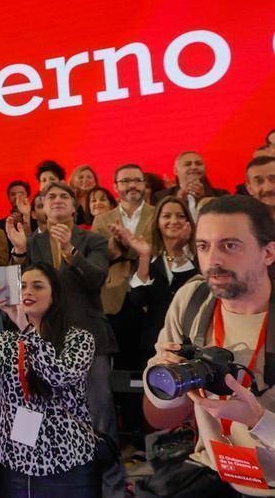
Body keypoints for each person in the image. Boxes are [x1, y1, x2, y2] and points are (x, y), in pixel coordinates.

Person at [140, 195, 275, 497]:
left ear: (268, 253)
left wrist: (258, 421)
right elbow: (157, 417)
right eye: (203, 246)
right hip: (214, 472)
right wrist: (166, 379)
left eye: (230, 245)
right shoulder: (194, 300)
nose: (213, 260)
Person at [7, 181, 120, 496]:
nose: (55, 200)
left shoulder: (93, 240)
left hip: (89, 340)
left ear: (74, 207)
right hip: (41, 341)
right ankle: (30, 484)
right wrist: (18, 252)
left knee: (99, 418)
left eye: (63, 196)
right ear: (41, 208)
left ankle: (109, 490)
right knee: (31, 410)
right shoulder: (30, 242)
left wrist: (71, 251)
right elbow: (16, 291)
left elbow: (96, 279)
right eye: (48, 197)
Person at [0, 264, 99, 497]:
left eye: (37, 286)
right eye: (22, 286)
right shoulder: (6, 340)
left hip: (65, 456)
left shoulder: (79, 339)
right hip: (16, 458)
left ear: (54, 295)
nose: (27, 292)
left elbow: (59, 376)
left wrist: (26, 329)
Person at [94, 163, 156, 369]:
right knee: (122, 365)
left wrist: (128, 243)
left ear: (144, 184)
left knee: (152, 359)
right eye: (125, 181)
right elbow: (99, 257)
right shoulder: (102, 219)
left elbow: (157, 249)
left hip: (150, 293)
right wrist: (119, 243)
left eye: (137, 180)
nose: (132, 185)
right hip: (115, 296)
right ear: (115, 187)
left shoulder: (158, 214)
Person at [124, 196, 197, 365]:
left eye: (180, 216)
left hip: (192, 344)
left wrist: (179, 251)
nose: (174, 221)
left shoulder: (200, 260)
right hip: (154, 345)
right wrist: (143, 256)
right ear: (157, 222)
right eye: (167, 216)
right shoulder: (150, 260)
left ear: (189, 222)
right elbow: (137, 301)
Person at [152, 151, 229, 220]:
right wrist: (178, 201)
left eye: (198, 164)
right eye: (187, 164)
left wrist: (204, 198)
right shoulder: (160, 197)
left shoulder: (221, 195)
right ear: (175, 171)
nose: (194, 167)